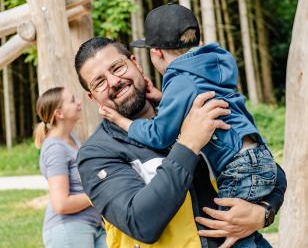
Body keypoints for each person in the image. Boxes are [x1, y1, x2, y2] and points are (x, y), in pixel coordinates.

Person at [74, 37, 286, 248]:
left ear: (136, 63)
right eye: (99, 82)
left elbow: (260, 165)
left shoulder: (190, 107)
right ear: (92, 97)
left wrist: (264, 211)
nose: (113, 82)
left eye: (117, 68)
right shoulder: (96, 154)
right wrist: (188, 144)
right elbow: (140, 223)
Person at [33, 87, 107, 248]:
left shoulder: (71, 138)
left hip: (92, 226)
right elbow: (61, 204)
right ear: (59, 113)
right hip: (68, 229)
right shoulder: (55, 149)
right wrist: (100, 193)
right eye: (73, 100)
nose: (79, 102)